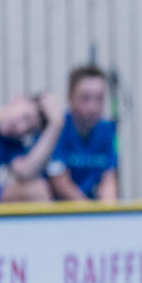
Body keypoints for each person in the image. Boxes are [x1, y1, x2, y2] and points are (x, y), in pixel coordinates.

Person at [47, 65, 119, 201]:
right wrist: (89, 213)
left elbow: (109, 178)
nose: (93, 107)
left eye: (99, 98)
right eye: (85, 98)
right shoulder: (59, 129)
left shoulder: (107, 129)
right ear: (70, 97)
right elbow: (59, 181)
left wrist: (108, 213)